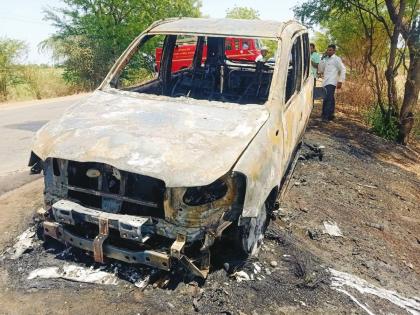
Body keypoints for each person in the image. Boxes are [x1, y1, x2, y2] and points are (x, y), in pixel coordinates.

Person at [318, 44, 346, 121]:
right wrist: (322, 59)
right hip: (325, 82)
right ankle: (330, 115)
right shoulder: (326, 59)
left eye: (330, 50)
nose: (328, 51)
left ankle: (325, 117)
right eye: (328, 50)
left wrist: (340, 81)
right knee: (329, 98)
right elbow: (321, 70)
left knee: (327, 98)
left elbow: (343, 69)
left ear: (334, 51)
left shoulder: (336, 59)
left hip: (332, 82)